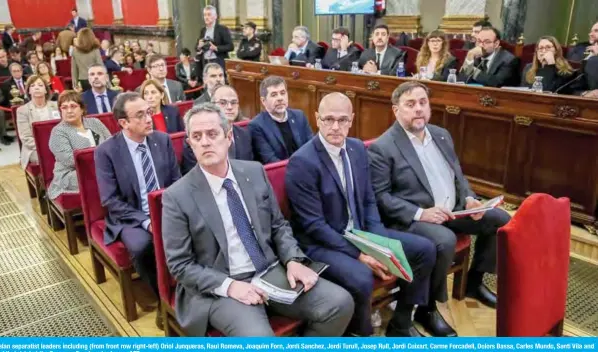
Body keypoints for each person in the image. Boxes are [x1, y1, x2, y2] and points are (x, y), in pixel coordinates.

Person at [161, 102, 355, 337]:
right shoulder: (177, 196)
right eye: (197, 136)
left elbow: (278, 225)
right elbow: (180, 265)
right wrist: (230, 286)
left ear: (228, 137)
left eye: (212, 134)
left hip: (270, 270)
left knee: (340, 303)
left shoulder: (254, 172)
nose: (205, 142)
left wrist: (293, 259)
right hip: (221, 284)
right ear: (190, 144)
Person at [286, 92, 435, 337]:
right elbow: (314, 226)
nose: (335, 127)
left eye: (342, 120)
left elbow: (368, 202)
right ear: (317, 119)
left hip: (360, 234)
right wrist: (361, 255)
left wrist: (379, 245)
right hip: (321, 244)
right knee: (362, 276)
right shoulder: (302, 162)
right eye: (328, 119)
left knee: (425, 250)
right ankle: (360, 334)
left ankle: (401, 321)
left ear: (352, 120)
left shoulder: (356, 148)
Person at [368, 82, 509, 326]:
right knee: (444, 240)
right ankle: (428, 308)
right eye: (410, 104)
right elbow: (381, 198)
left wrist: (468, 197)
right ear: (396, 110)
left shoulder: (441, 134)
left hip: (453, 210)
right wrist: (421, 213)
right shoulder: (383, 147)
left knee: (500, 220)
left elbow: (458, 175)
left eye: (423, 103)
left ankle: (474, 282)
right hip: (414, 219)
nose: (419, 109)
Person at [95, 92, 181, 305]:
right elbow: (110, 200)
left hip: (167, 209)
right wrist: (146, 221)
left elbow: (176, 181)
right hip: (131, 216)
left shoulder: (162, 140)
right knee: (142, 246)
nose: (149, 118)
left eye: (149, 112)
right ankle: (164, 300)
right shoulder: (106, 151)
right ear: (124, 123)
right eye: (140, 115)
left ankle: (193, 291)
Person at [48, 90, 111, 200]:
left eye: (73, 106)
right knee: (103, 176)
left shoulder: (95, 122)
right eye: (64, 107)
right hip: (71, 174)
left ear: (82, 109)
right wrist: (103, 162)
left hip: (102, 168)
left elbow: (111, 144)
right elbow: (70, 160)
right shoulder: (58, 131)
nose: (69, 111)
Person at [181, 85, 253, 174]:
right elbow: (193, 175)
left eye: (233, 102)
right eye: (223, 103)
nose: (230, 107)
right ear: (212, 106)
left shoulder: (244, 134)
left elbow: (249, 168)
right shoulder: (197, 138)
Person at [248, 76, 313, 164]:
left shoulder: (299, 116)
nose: (280, 98)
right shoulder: (257, 126)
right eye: (274, 95)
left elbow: (312, 147)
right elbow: (271, 160)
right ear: (263, 101)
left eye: (283, 93)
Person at [17, 75, 60, 169]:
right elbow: (26, 138)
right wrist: (46, 148)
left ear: (46, 90)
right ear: (28, 91)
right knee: (45, 157)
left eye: (40, 85)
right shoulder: (22, 110)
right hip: (35, 148)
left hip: (59, 144)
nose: (36, 87)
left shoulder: (56, 106)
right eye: (32, 86)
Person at [195, 5, 233, 81]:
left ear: (215, 16)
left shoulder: (222, 29)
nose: (206, 17)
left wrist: (216, 48)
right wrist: (199, 46)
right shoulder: (203, 30)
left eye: (209, 14)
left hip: (218, 62)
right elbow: (197, 47)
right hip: (205, 62)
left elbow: (230, 46)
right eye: (205, 15)